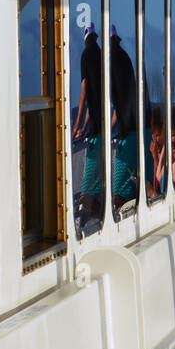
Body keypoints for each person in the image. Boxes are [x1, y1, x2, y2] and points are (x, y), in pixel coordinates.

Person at [71, 23, 104, 226]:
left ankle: (86, 210)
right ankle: (95, 210)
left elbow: (85, 90)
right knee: (96, 170)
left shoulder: (86, 55)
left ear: (85, 38)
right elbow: (96, 92)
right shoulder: (100, 54)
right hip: (100, 118)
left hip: (95, 121)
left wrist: (77, 124)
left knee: (89, 172)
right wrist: (85, 124)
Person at [110, 25, 138, 211]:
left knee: (119, 193)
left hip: (127, 134)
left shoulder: (114, 61)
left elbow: (120, 101)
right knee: (126, 189)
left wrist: (115, 128)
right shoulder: (125, 59)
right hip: (133, 131)